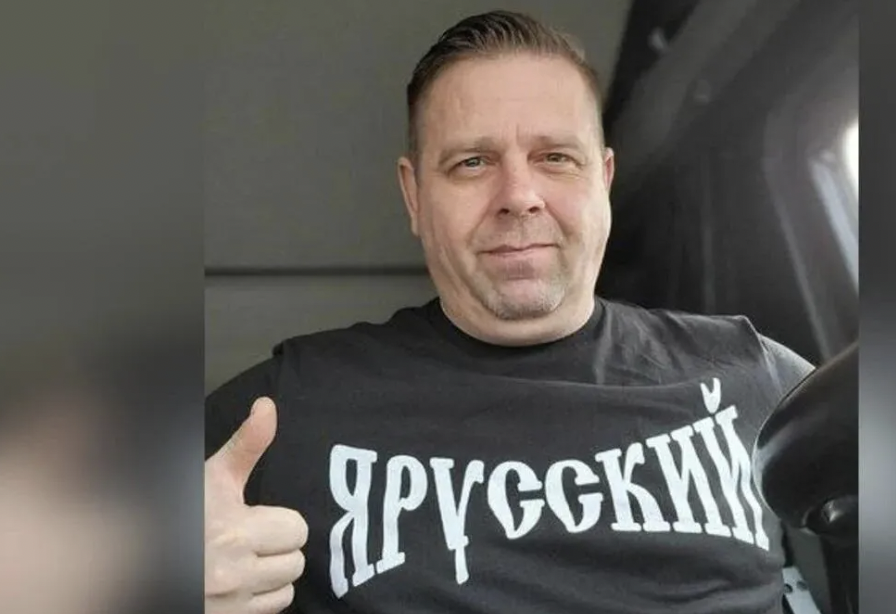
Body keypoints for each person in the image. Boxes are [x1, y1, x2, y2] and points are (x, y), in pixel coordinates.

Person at [204, 10, 814, 614]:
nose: (519, 197)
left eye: (556, 158)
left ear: (603, 180)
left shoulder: (754, 373)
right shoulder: (289, 407)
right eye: (472, 162)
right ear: (414, 196)